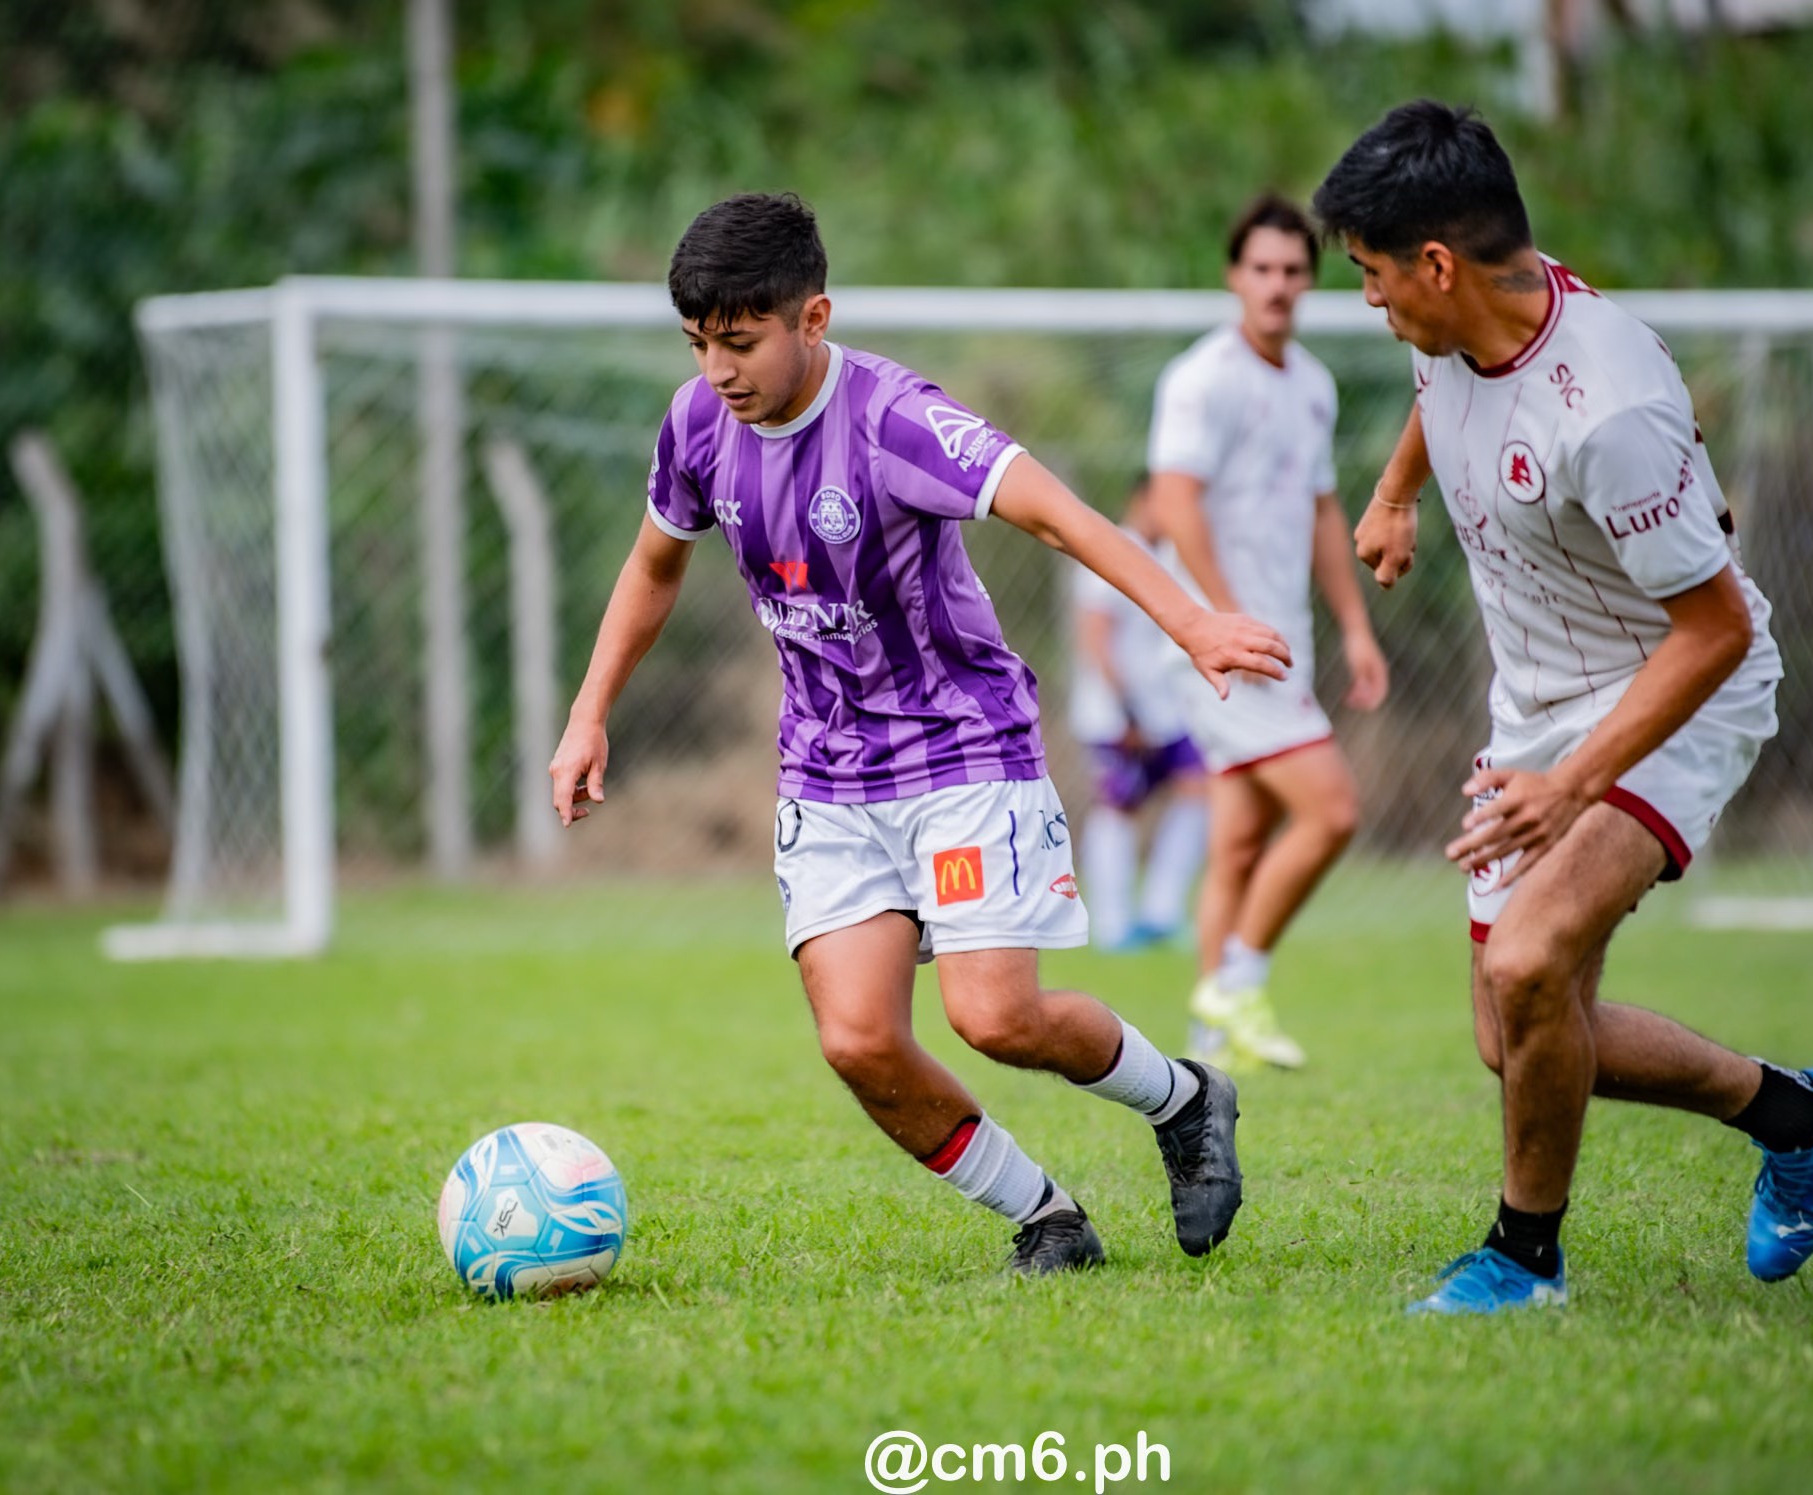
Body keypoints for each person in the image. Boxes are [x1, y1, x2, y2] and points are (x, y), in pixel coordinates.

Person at [549, 193, 1291, 1276]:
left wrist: (1192, 622)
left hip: (961, 752)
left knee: (996, 1017)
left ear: (813, 318)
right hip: (824, 771)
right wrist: (588, 712)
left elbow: (1058, 514)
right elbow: (654, 563)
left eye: (740, 341)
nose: (717, 369)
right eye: (698, 342)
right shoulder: (697, 423)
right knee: (856, 1039)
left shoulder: (896, 419)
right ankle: (1048, 1218)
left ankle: (1182, 1099)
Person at [1314, 102, 1813, 1314]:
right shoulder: (1466, 312)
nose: (1367, 300)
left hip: (1675, 686)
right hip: (1536, 706)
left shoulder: (1607, 408)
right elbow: (1437, 385)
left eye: (1369, 273)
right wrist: (1396, 493)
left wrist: (1570, 788)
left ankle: (1522, 1260)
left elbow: (1713, 629)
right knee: (1513, 1035)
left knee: (1527, 964)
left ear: (1434, 264)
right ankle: (1796, 1112)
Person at [1147, 192, 1390, 1071]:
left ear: (1309, 281)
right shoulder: (1202, 379)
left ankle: (1212, 1042)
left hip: (1285, 640)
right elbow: (1174, 502)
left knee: (1241, 842)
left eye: (1292, 270)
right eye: (1262, 268)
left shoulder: (1313, 384)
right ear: (1234, 276)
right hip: (1224, 649)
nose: (1277, 284)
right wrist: (1221, 619)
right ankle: (1237, 982)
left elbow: (1323, 511)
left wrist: (1355, 626)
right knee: (1332, 810)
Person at [1066, 474, 1209, 953]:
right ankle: (1111, 925)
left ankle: (1162, 913)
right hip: (1117, 715)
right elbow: (1096, 640)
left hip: (1164, 712)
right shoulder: (1110, 550)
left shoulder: (1167, 555)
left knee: (1198, 787)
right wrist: (1127, 713)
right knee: (1118, 805)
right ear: (1142, 500)